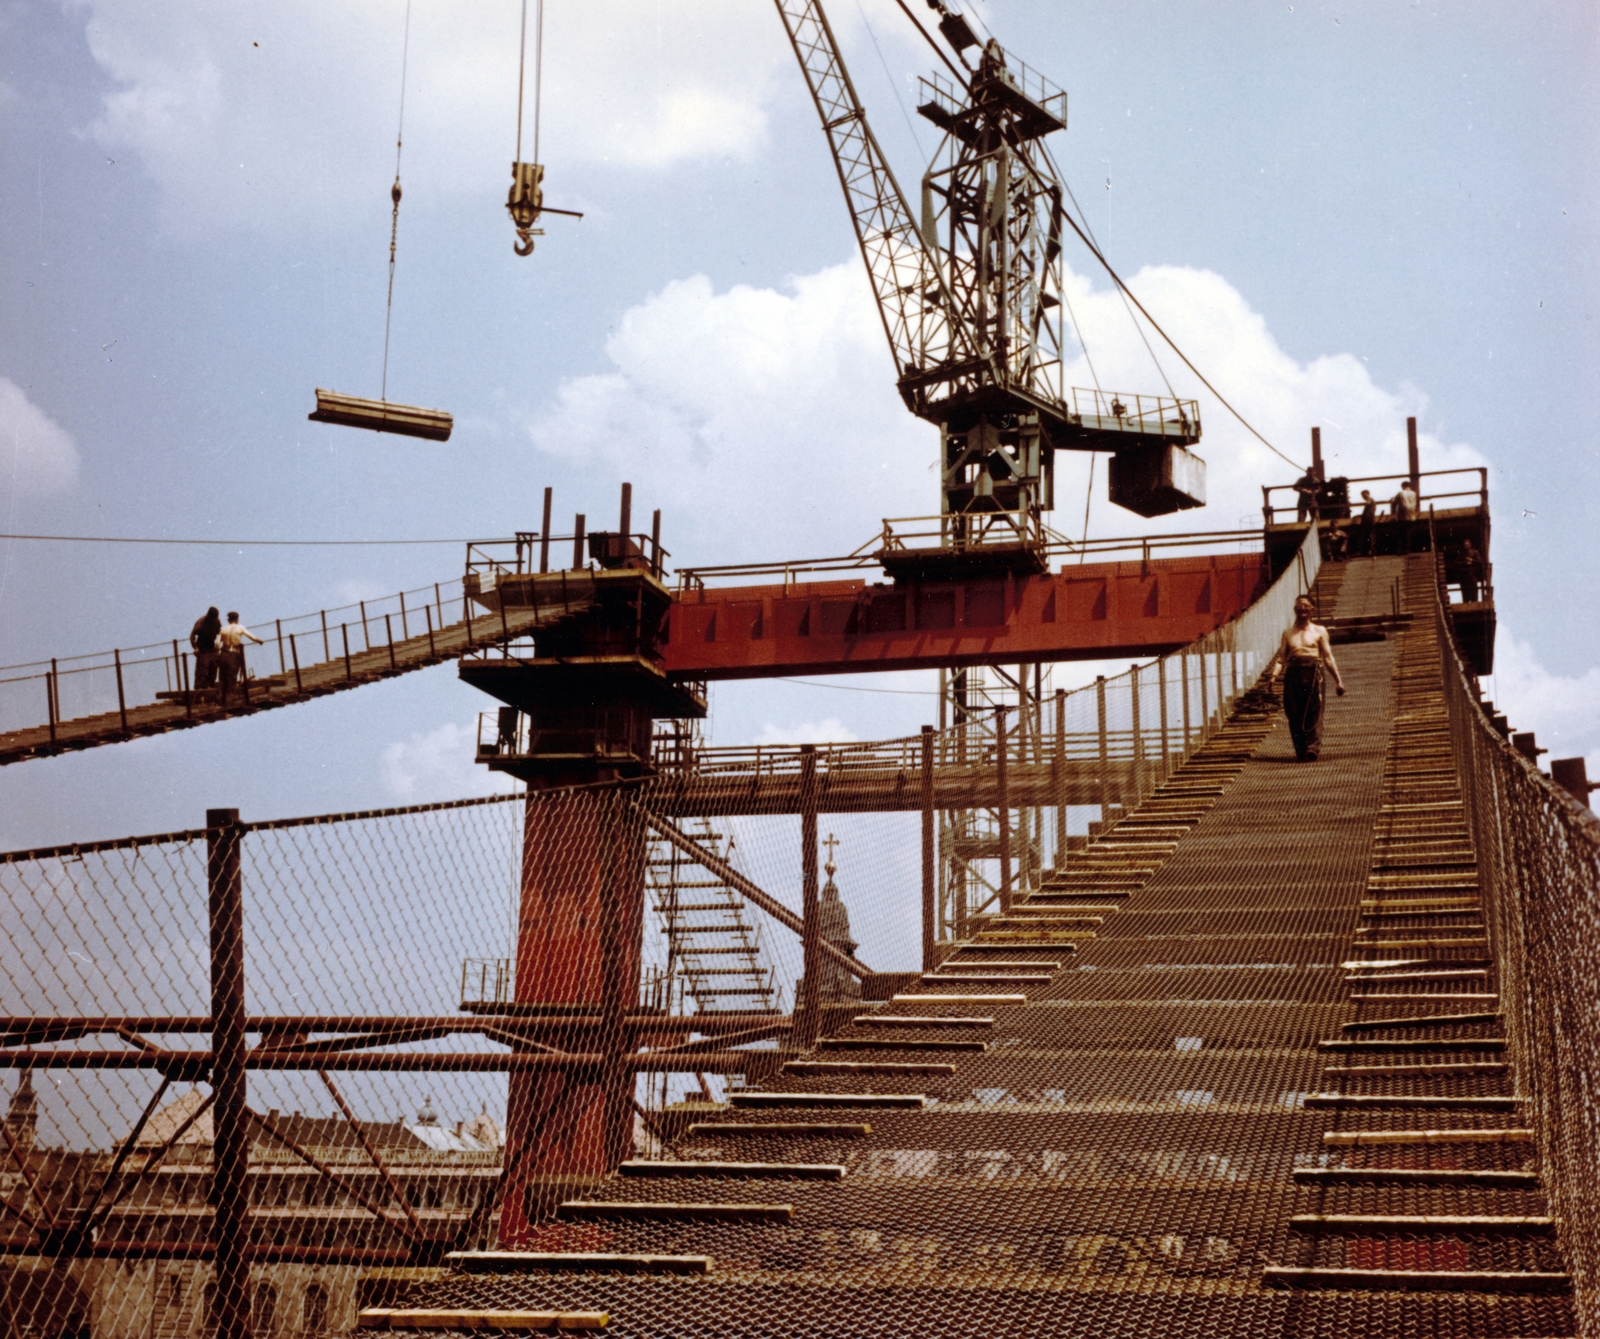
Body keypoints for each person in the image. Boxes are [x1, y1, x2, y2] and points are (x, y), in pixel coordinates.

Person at [1267, 595, 1346, 762]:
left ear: (1312, 610)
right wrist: (1273, 676)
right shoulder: (1288, 633)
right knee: (1293, 712)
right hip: (1293, 673)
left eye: (1305, 605)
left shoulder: (1319, 631)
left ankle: (1312, 748)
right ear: (1295, 609)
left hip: (1313, 672)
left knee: (1314, 711)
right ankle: (1301, 750)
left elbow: (1328, 657)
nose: (1302, 607)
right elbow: (1282, 659)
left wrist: (1338, 681)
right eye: (1299, 605)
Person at [217, 612, 264, 699]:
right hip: (234, 654)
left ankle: (220, 698)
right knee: (232, 676)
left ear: (228, 620)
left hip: (223, 654)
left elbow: (217, 644)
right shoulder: (240, 628)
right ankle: (229, 697)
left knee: (222, 677)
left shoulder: (223, 629)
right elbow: (252, 638)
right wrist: (260, 641)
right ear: (237, 619)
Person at [189, 606, 222, 689]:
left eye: (216, 618)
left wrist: (218, 641)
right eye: (213, 618)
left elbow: (220, 632)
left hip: (213, 648)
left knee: (213, 668)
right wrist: (195, 647)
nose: (214, 620)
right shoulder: (201, 622)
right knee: (202, 670)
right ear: (209, 615)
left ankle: (210, 686)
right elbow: (192, 635)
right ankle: (199, 689)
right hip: (203, 649)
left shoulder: (217, 621)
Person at [1355, 489, 1377, 558]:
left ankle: (1371, 551)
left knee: (1369, 536)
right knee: (1368, 536)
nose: (1363, 497)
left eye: (1364, 495)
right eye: (1362, 496)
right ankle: (1369, 551)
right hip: (1367, 521)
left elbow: (1368, 503)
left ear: (1367, 494)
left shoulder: (1370, 500)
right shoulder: (1370, 501)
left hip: (1369, 521)